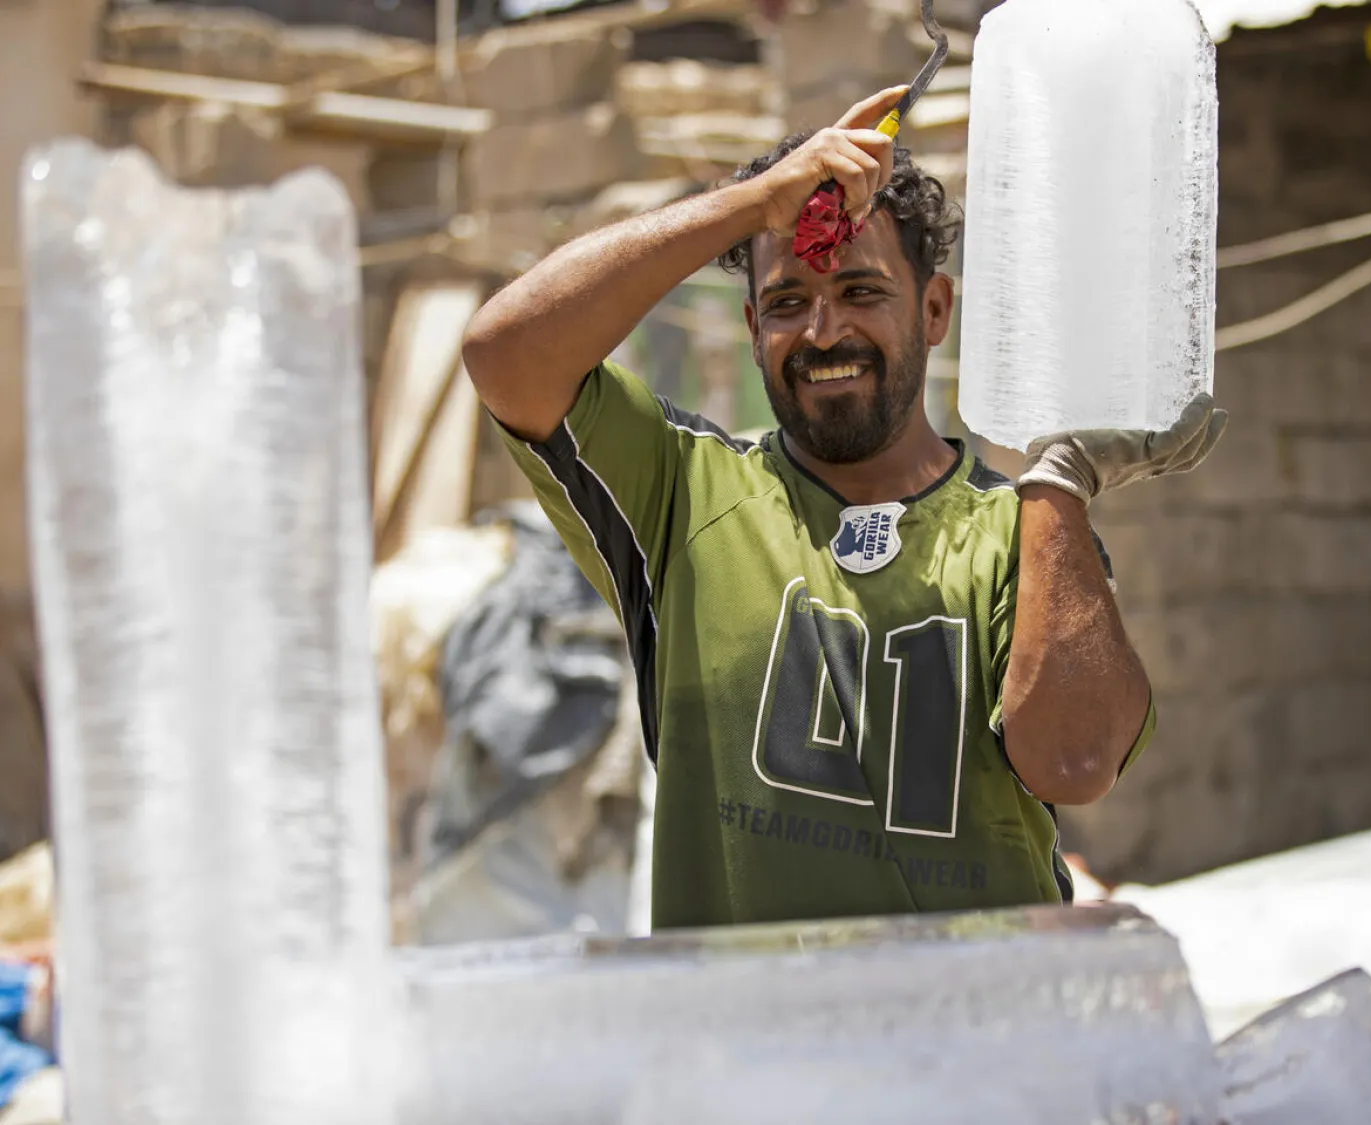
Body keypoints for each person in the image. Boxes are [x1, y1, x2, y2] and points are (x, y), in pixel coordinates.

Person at [461, 86, 1226, 931]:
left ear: (934, 311)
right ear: (752, 328)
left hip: (983, 1045)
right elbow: (505, 350)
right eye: (788, 303)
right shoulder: (682, 492)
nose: (823, 331)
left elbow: (1076, 762)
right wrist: (754, 202)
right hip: (752, 1051)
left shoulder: (1023, 530)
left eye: (862, 291)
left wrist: (1061, 481)